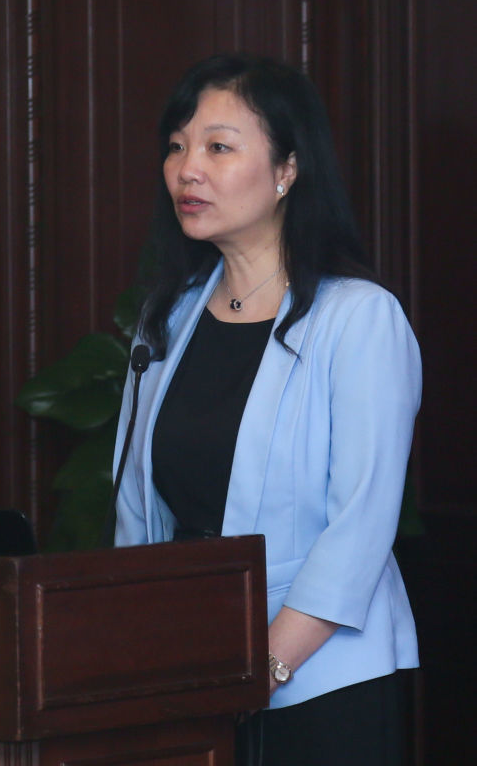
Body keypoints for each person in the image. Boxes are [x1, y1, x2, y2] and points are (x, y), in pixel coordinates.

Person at [111, 54, 421, 765]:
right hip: (189, 677)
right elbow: (136, 511)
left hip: (322, 684)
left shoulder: (359, 318)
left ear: (287, 170)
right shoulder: (168, 318)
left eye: (218, 147)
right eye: (177, 146)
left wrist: (262, 670)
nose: (187, 169)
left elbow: (361, 527)